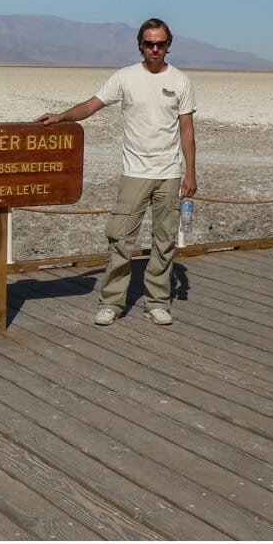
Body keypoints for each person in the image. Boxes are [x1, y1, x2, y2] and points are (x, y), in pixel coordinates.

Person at [35, 17, 197, 326]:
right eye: (149, 43)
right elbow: (93, 105)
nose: (154, 49)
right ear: (139, 45)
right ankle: (111, 302)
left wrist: (190, 174)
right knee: (120, 237)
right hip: (135, 172)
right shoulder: (124, 78)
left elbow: (187, 130)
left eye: (160, 44)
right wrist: (62, 117)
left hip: (169, 173)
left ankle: (157, 301)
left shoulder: (180, 81)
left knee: (164, 241)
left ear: (168, 46)